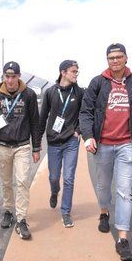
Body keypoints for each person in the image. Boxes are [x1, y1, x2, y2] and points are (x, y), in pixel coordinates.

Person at [80, 44, 132, 261]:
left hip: (127, 145)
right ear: (107, 60)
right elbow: (85, 112)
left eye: (119, 57)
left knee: (124, 191)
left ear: (126, 58)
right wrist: (88, 136)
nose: (115, 60)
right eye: (111, 57)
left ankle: (123, 238)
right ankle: (104, 212)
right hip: (102, 144)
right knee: (103, 186)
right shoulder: (97, 82)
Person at [0, 61, 41, 240]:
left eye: (13, 76)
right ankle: (8, 210)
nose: (10, 80)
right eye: (7, 76)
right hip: (2, 146)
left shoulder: (28, 95)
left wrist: (36, 147)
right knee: (7, 182)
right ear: (3, 77)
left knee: (22, 181)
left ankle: (21, 218)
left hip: (22, 146)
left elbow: (35, 122)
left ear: (19, 76)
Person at [38, 60, 83, 228]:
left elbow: (84, 114)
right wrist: (37, 143)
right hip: (54, 142)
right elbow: (42, 118)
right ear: (63, 72)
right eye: (73, 71)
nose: (76, 74)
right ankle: (54, 191)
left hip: (71, 141)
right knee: (54, 176)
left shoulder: (79, 92)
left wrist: (78, 131)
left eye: (77, 71)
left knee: (69, 177)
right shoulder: (50, 93)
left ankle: (65, 212)